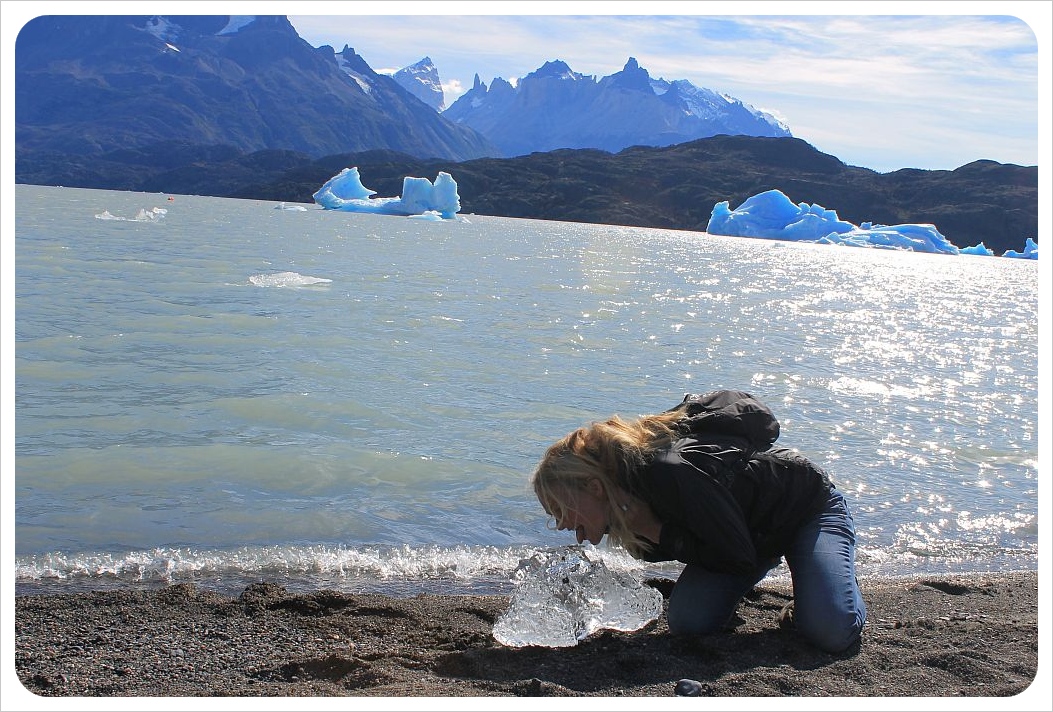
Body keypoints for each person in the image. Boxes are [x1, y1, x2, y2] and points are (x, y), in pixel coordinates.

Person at [531, 389, 867, 654]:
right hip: (747, 537)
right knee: (688, 621)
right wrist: (656, 534)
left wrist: (659, 531)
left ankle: (826, 590)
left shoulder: (668, 471)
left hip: (807, 510)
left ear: (594, 488)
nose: (561, 524)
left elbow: (736, 558)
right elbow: (719, 549)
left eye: (561, 510)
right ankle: (816, 589)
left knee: (831, 632)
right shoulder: (625, 512)